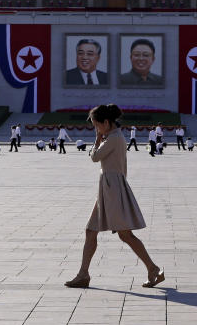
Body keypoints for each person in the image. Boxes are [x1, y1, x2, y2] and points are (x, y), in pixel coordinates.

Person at [64, 103, 163, 289]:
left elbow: (94, 157)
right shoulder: (112, 136)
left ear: (106, 122)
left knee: (125, 234)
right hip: (108, 187)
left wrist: (96, 140)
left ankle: (153, 269)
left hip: (112, 189)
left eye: (97, 125)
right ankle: (83, 274)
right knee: (91, 230)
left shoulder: (113, 139)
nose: (96, 129)